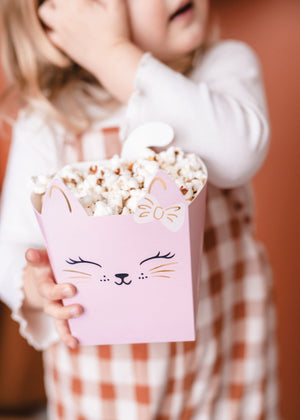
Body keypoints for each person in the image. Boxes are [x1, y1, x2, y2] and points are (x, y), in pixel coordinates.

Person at [0, 0, 280, 419]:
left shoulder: (222, 69)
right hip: (104, 385)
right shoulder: (53, 119)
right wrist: (37, 283)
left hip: (224, 365)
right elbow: (12, 246)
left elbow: (237, 153)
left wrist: (113, 56)